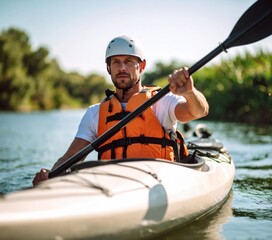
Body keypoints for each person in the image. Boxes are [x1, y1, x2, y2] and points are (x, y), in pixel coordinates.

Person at [32, 35, 209, 186]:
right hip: (113, 187)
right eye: (116, 62)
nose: (122, 68)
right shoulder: (95, 113)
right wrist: (50, 176)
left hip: (159, 182)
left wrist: (190, 93)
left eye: (129, 61)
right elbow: (70, 158)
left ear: (142, 66)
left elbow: (198, 111)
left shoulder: (162, 101)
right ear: (108, 67)